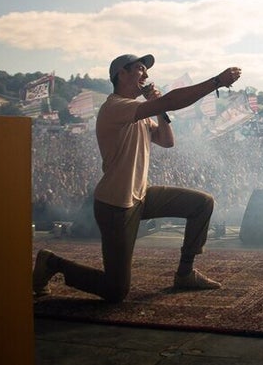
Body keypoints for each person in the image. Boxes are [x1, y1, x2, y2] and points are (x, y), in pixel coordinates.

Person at [32, 54, 242, 302]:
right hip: (115, 206)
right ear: (122, 74)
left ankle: (185, 272)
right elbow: (173, 100)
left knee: (202, 203)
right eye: (141, 69)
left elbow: (167, 141)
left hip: (140, 195)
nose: (147, 75)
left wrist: (159, 107)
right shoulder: (115, 107)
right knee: (116, 291)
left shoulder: (137, 114)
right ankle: (52, 262)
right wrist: (215, 81)